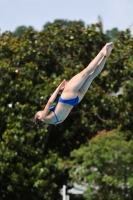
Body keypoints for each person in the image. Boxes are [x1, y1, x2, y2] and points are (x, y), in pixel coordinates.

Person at [33, 42, 114, 128]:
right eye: (41, 112)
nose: (43, 111)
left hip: (76, 100)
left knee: (91, 76)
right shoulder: (44, 117)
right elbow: (49, 102)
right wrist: (59, 88)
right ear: (40, 118)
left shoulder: (56, 122)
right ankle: (102, 52)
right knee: (85, 72)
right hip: (67, 97)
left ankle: (106, 56)